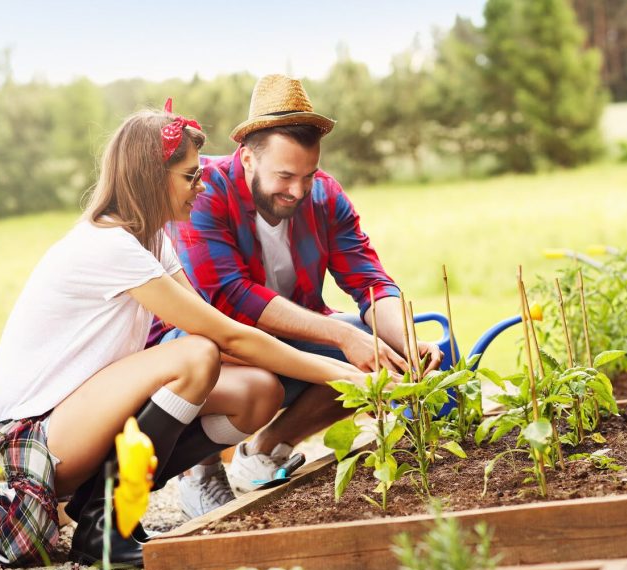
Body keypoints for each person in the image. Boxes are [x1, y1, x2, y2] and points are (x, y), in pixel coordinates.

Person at [0, 101, 369, 570]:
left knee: (259, 391)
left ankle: (111, 505)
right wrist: (344, 372)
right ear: (151, 179)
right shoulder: (108, 244)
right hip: (32, 440)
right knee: (195, 354)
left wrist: (339, 368)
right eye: (190, 177)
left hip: (79, 418)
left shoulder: (153, 240)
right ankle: (105, 525)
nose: (201, 187)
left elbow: (227, 334)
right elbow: (224, 337)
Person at [157, 75, 442, 515]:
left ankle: (267, 450)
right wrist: (342, 336)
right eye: (285, 176)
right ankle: (200, 468)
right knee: (307, 351)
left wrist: (402, 337)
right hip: (202, 345)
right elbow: (228, 296)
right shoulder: (203, 189)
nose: (298, 191)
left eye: (307, 175)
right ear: (248, 159)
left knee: (374, 348)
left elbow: (369, 280)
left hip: (285, 340)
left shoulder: (325, 195)